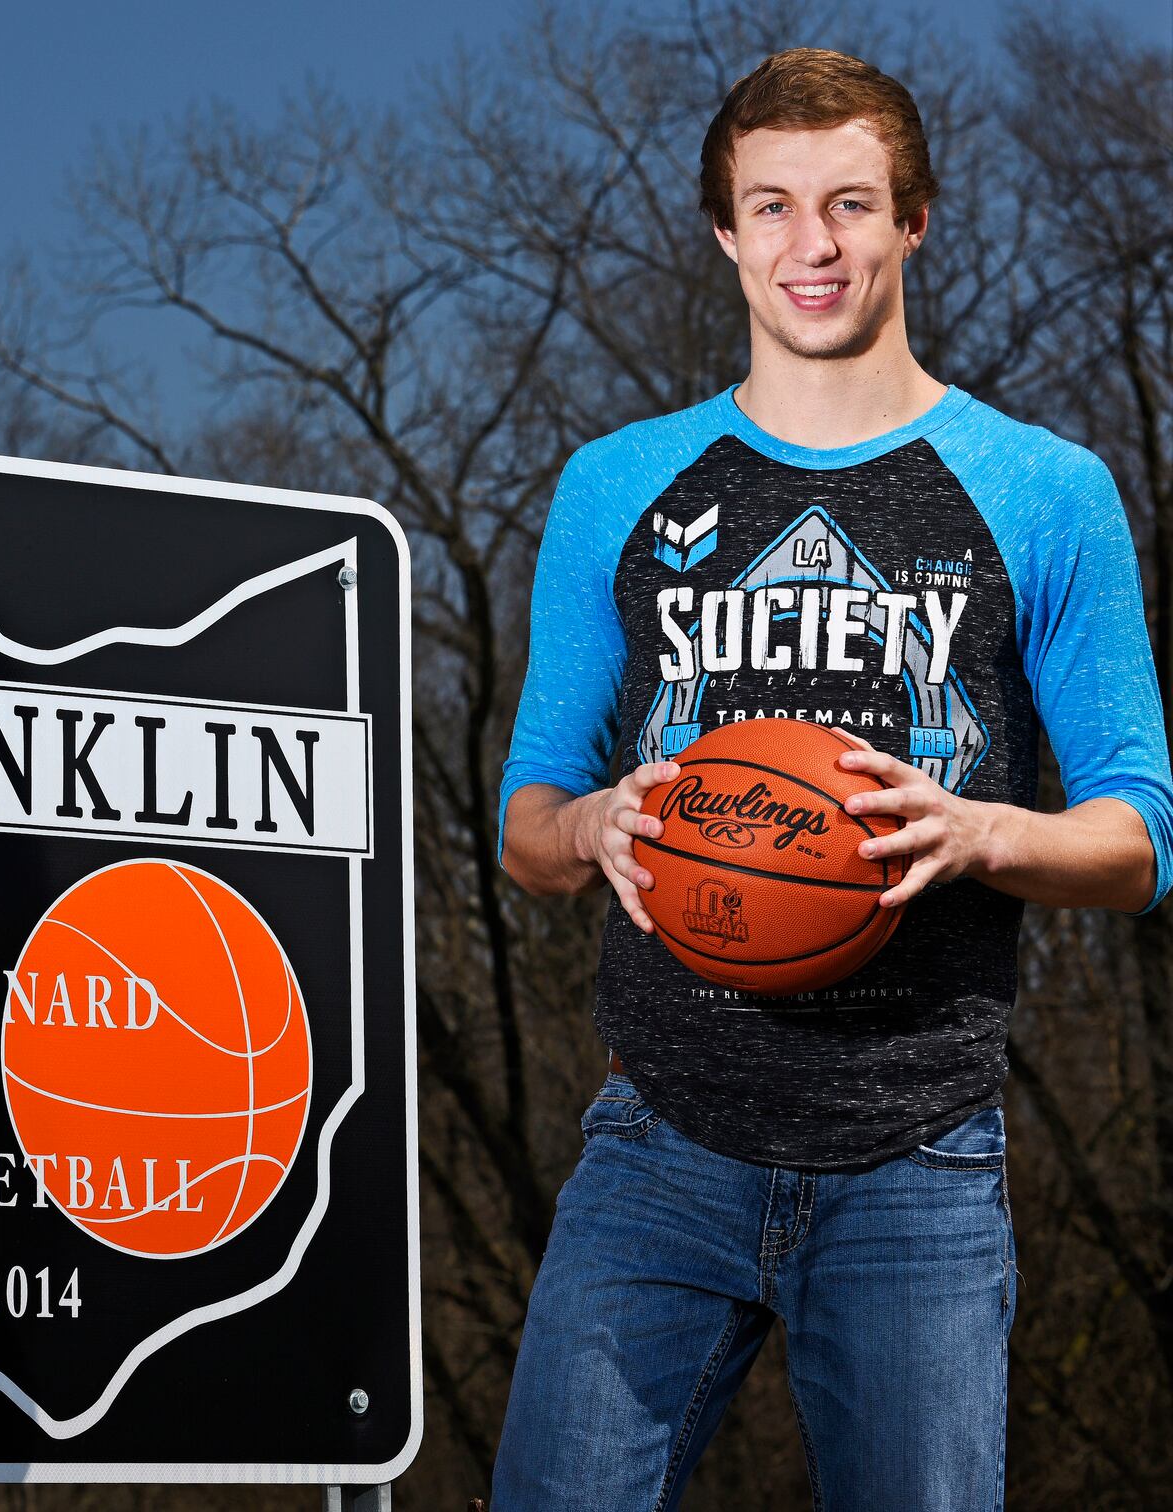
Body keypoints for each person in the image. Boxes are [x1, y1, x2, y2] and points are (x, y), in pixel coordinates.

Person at [488, 46, 1173, 1512]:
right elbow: (526, 822)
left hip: (916, 1153)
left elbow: (1139, 836)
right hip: (656, 1136)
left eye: (853, 204)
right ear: (724, 232)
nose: (815, 246)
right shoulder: (617, 484)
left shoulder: (1045, 489)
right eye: (775, 207)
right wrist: (597, 821)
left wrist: (982, 829)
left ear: (913, 221)